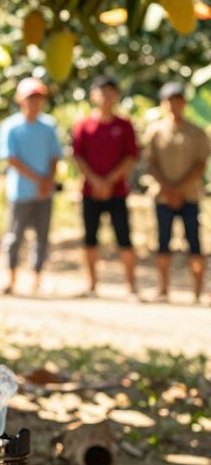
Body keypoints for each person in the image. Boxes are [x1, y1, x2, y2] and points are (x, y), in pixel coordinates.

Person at [71, 75, 140, 300]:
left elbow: (131, 157)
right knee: (90, 239)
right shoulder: (83, 125)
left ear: (117, 96)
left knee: (124, 239)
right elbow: (78, 157)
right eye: (102, 92)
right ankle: (91, 285)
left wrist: (109, 181)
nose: (106, 97)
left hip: (117, 192)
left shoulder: (124, 125)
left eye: (111, 92)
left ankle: (131, 287)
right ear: (93, 95)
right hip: (90, 192)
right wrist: (96, 182)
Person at [0, 77, 63, 296]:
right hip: (21, 192)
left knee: (41, 237)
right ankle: (10, 279)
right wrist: (40, 180)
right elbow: (12, 159)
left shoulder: (49, 126)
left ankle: (37, 279)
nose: (34, 102)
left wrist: (48, 181)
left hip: (44, 192)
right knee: (15, 236)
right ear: (20, 99)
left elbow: (55, 156)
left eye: (38, 98)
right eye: (30, 98)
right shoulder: (11, 126)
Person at [145, 81, 209, 303]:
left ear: (185, 102)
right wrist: (168, 188)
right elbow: (150, 163)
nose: (174, 105)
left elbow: (200, 165)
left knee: (195, 243)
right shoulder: (155, 131)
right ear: (164, 104)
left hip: (190, 195)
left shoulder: (197, 132)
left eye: (178, 100)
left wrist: (179, 189)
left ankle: (198, 292)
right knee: (163, 243)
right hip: (162, 196)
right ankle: (163, 289)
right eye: (170, 101)